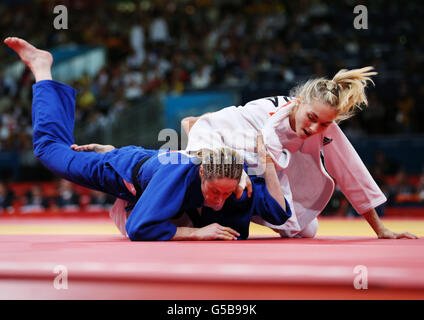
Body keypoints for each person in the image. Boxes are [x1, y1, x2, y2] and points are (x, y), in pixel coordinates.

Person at [4, 37, 291, 241]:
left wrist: (265, 160)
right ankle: (42, 70)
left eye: (225, 194)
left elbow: (279, 213)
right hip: (121, 170)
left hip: (149, 162)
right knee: (48, 151)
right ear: (202, 172)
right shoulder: (179, 174)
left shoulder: (232, 178)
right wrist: (195, 233)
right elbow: (139, 228)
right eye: (215, 192)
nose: (218, 201)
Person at [183, 67, 418, 239]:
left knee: (307, 230)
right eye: (312, 118)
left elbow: (351, 171)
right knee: (202, 190)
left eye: (323, 124)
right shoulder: (261, 114)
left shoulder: (324, 127)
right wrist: (233, 170)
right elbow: (209, 128)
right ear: (299, 102)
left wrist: (381, 229)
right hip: (233, 150)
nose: (314, 128)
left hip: (272, 168)